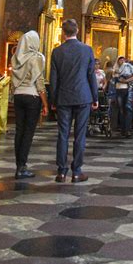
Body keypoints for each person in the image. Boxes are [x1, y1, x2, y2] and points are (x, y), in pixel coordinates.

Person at [49, 19, 98, 183]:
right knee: (80, 135)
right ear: (77, 31)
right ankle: (76, 171)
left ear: (64, 32)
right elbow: (91, 75)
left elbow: (53, 79)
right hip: (83, 96)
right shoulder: (86, 50)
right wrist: (95, 97)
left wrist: (53, 100)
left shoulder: (57, 52)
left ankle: (61, 172)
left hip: (63, 97)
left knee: (62, 134)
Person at [11, 30, 49, 178]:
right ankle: (22, 166)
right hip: (32, 96)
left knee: (19, 130)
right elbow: (39, 82)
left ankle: (18, 165)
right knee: (28, 133)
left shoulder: (16, 57)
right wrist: (45, 103)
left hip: (18, 96)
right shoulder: (37, 57)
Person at [113, 56, 133, 137]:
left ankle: (127, 129)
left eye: (123, 60)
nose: (122, 61)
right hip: (119, 90)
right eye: (120, 60)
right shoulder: (116, 68)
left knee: (128, 109)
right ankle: (123, 129)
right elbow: (115, 78)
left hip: (127, 90)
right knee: (121, 110)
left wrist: (126, 80)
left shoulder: (128, 67)